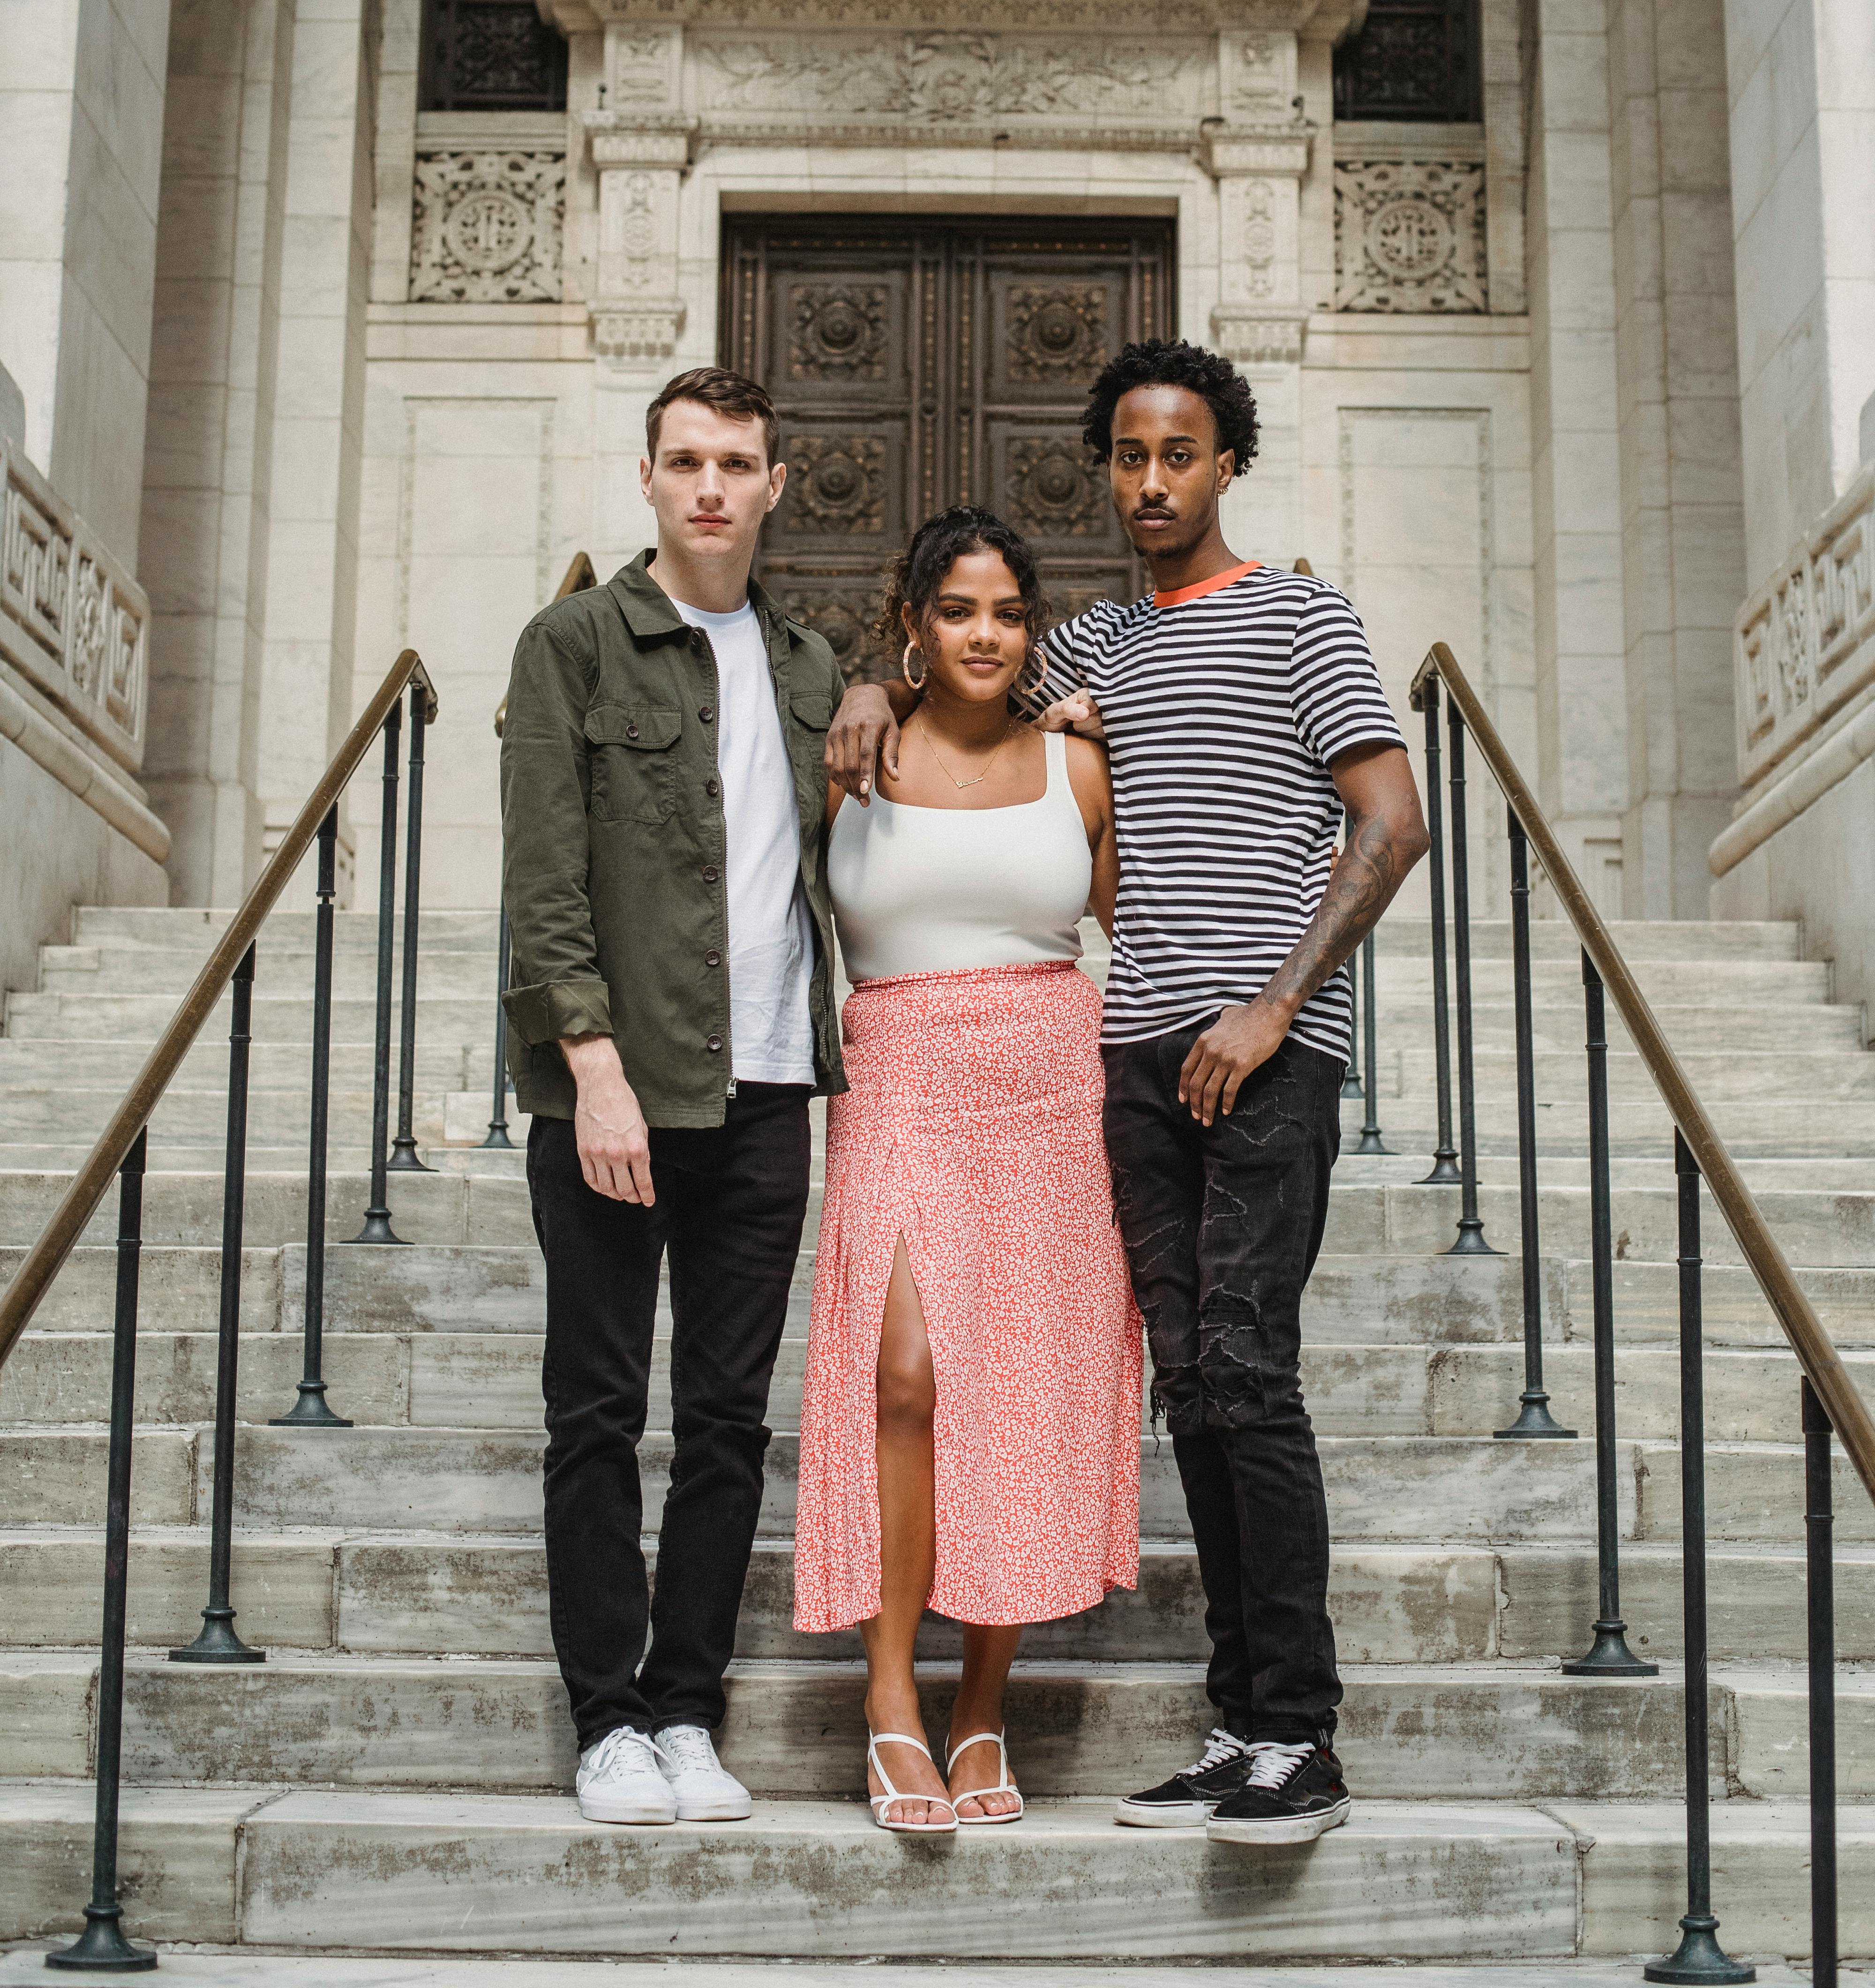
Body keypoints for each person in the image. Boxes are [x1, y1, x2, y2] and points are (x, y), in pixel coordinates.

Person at [826, 338, 1428, 1849]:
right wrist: (853, 677)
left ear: (1230, 461)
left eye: (1183, 453)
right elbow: (961, 663)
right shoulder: (1088, 649)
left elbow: (1393, 819)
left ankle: (1299, 1730)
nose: (1153, 480)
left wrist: (1277, 1007)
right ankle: (1243, 1725)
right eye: (1130, 456)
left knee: (1247, 1369)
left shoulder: (1304, 617)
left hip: (1266, 1052)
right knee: (1195, 1388)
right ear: (1106, 467)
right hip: (1129, 1063)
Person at [499, 364, 848, 1828]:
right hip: (618, 1093)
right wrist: (593, 1071)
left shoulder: (813, 665)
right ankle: (608, 1721)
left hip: (768, 1092)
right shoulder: (574, 644)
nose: (712, 487)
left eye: (739, 463)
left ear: (776, 486)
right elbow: (545, 881)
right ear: (647, 476)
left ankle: (690, 1712)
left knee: (724, 1421)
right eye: (687, 460)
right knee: (595, 1409)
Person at [795, 505, 1139, 1836]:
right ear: (914, 626)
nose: (985, 634)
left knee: (1015, 1395)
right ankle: (891, 1698)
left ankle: (983, 1705)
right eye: (957, 611)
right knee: (905, 1378)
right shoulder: (853, 754)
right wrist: (866, 696)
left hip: (1053, 1082)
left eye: (1007, 612)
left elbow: (1149, 931)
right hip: (900, 1071)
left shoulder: (1080, 768)